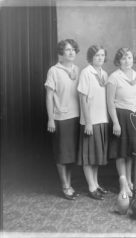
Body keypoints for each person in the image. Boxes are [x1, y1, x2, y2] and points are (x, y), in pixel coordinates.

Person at [45, 39, 80, 200]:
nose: (71, 52)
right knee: (61, 153)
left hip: (76, 117)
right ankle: (65, 186)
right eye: (67, 50)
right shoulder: (54, 70)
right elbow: (49, 96)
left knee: (70, 154)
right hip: (60, 118)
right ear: (61, 53)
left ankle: (69, 183)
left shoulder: (77, 69)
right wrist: (51, 119)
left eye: (73, 49)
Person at [107, 47, 136, 196]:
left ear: (133, 59)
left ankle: (129, 181)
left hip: (135, 117)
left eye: (129, 57)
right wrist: (115, 122)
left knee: (130, 151)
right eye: (123, 58)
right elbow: (110, 102)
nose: (127, 61)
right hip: (120, 116)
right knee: (121, 152)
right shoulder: (114, 77)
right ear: (118, 61)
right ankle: (123, 184)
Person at [77, 45, 109, 200]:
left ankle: (96, 184)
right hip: (90, 121)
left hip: (102, 119)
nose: (100, 58)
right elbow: (82, 99)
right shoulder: (86, 72)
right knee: (88, 156)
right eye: (97, 55)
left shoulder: (104, 73)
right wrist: (88, 122)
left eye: (102, 55)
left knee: (96, 155)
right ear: (91, 57)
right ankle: (91, 186)